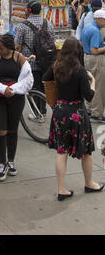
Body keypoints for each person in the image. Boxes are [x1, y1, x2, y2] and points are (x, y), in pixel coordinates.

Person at [43, 37, 104, 200]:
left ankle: (61, 189)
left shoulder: (57, 66)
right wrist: (93, 80)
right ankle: (90, 183)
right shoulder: (80, 71)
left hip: (60, 111)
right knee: (86, 151)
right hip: (77, 113)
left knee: (61, 151)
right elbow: (89, 96)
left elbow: (45, 77)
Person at [0, 34, 33, 181]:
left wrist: (13, 89)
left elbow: (28, 80)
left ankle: (11, 161)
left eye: (1, 48)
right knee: (0, 131)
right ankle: (2, 163)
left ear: (9, 47)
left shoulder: (20, 59)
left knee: (12, 130)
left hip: (16, 99)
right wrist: (2, 88)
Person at [15, 1, 54, 95]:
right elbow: (52, 41)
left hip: (30, 64)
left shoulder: (22, 26)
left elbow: (17, 47)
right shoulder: (48, 23)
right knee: (44, 90)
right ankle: (42, 108)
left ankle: (35, 109)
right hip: (46, 63)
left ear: (28, 10)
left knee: (33, 91)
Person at [81, 9, 105, 122]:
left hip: (87, 57)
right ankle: (96, 114)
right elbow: (94, 50)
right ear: (99, 19)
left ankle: (89, 109)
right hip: (95, 59)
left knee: (90, 83)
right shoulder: (95, 31)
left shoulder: (88, 26)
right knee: (99, 86)